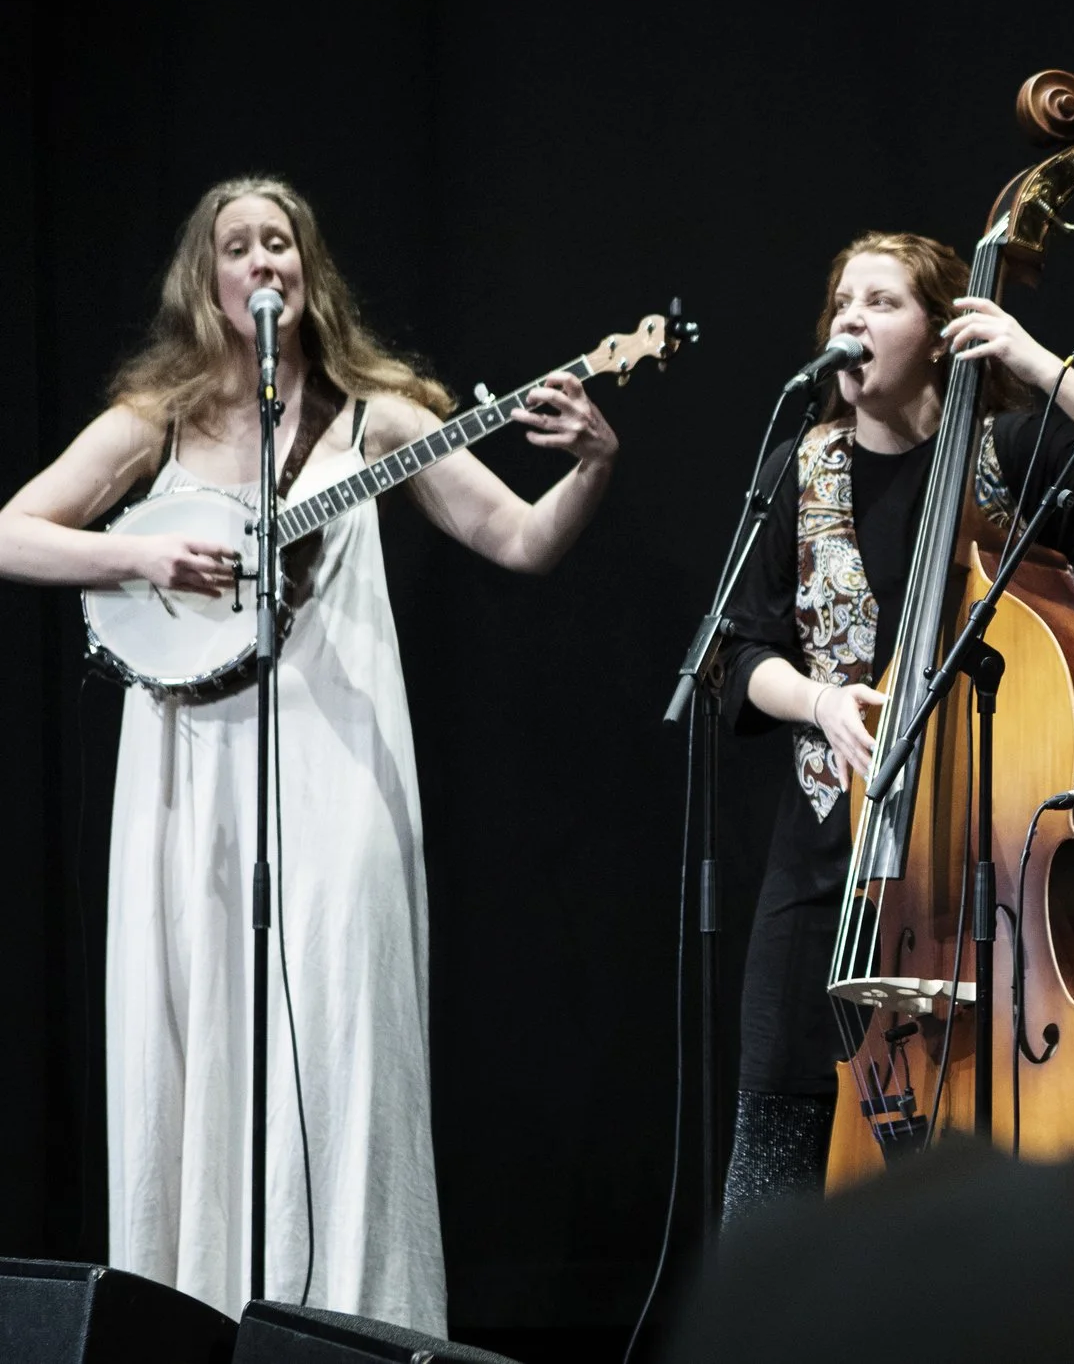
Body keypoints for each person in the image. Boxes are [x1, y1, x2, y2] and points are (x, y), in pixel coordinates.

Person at [0, 176, 618, 1326]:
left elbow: (518, 540)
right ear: (209, 278)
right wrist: (140, 560)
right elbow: (12, 532)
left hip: (337, 771)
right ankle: (191, 1319)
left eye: (279, 242)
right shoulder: (159, 415)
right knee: (195, 1030)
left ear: (306, 268)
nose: (261, 262)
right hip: (190, 776)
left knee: (340, 1028)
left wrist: (587, 465)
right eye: (237, 246)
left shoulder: (374, 414)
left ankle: (346, 1318)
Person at [714, 230, 1074, 1221]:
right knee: (778, 1127)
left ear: (942, 327)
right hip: (830, 854)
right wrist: (820, 701)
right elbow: (738, 655)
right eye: (842, 304)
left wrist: (1040, 364)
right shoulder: (801, 464)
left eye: (882, 302)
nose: (853, 321)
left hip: (976, 868)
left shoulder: (1004, 453)